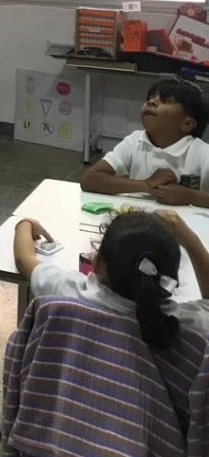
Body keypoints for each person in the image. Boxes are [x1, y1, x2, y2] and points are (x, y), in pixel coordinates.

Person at [14, 209, 209, 348]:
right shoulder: (186, 324)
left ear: (97, 263)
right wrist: (190, 240)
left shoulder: (72, 293)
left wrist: (25, 223)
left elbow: (24, 259)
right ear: (169, 277)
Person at [80, 77, 209, 207]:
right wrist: (146, 185)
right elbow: (89, 179)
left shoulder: (202, 153)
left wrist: (190, 196)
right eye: (150, 98)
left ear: (187, 124)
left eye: (166, 101)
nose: (151, 102)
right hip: (140, 217)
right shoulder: (135, 141)